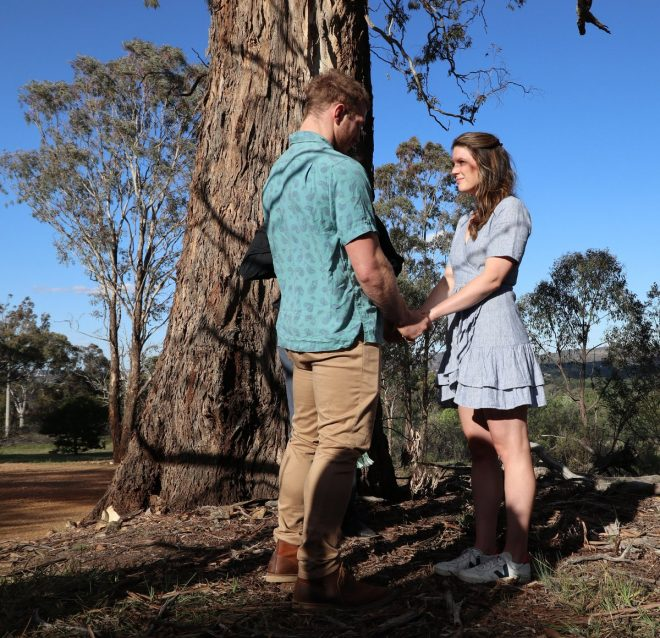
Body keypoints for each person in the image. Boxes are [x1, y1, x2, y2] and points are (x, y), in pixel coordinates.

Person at [262, 69, 429, 609]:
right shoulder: (342, 172)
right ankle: (321, 575)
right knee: (338, 450)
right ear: (339, 111)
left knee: (304, 441)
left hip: (297, 335)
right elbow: (370, 268)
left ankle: (287, 553)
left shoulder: (278, 174)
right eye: (359, 123)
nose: (360, 134)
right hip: (341, 333)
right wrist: (402, 317)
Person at [418, 132, 545, 584]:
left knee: (512, 449)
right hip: (463, 341)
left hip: (494, 334)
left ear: (485, 164)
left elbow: (493, 278)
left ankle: (516, 558)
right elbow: (452, 277)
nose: (451, 170)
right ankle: (484, 548)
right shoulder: (467, 220)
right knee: (479, 451)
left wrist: (430, 314)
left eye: (459, 162)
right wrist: (419, 316)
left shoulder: (511, 210)